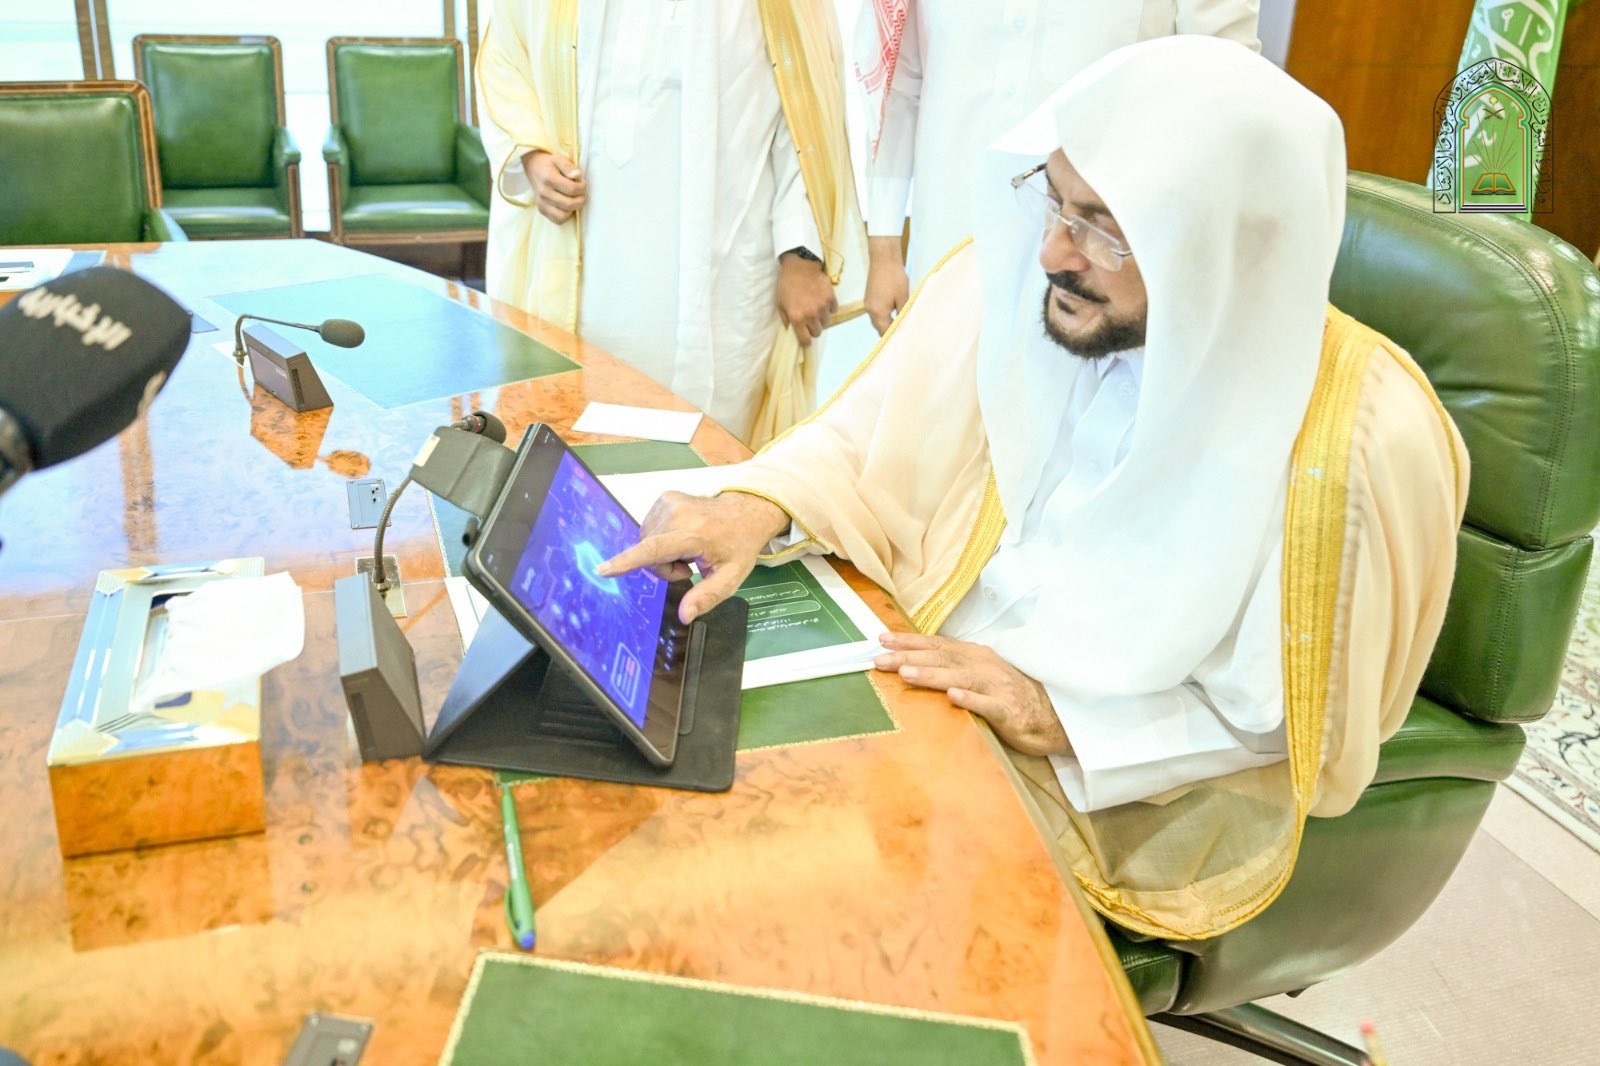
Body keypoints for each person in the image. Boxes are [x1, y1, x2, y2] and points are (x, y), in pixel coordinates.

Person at [599, 37, 1469, 940]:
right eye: (1053, 200)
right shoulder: (1014, 281)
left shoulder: (1360, 443)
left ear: (1222, 244)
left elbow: (1306, 721)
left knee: (794, 911)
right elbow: (865, 436)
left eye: (1103, 228)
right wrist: (754, 504)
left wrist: (1063, 718)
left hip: (1102, 784)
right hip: (919, 661)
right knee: (661, 781)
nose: (1054, 249)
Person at [477, 0, 867, 445]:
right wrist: (531, 156)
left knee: (717, 449)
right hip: (588, 269)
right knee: (585, 435)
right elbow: (507, 57)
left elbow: (807, 108)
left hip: (727, 276)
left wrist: (802, 255)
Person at [856, 0, 1261, 335]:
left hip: (1095, 266)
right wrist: (885, 250)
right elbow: (900, 89)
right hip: (947, 250)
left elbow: (1221, 89)